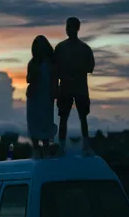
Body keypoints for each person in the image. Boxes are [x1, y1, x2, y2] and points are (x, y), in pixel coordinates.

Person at [54, 17, 95, 154]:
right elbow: (55, 68)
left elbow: (90, 67)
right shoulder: (60, 48)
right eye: (67, 26)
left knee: (82, 117)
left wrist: (73, 73)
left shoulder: (84, 48)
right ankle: (62, 146)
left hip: (78, 89)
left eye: (70, 26)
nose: (68, 29)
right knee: (64, 118)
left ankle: (85, 146)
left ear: (77, 28)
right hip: (67, 88)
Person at [26, 35, 57, 158]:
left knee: (45, 122)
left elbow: (55, 79)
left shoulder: (51, 64)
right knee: (35, 122)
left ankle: (44, 150)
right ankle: (37, 150)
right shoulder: (33, 63)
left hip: (45, 96)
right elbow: (28, 79)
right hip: (35, 96)